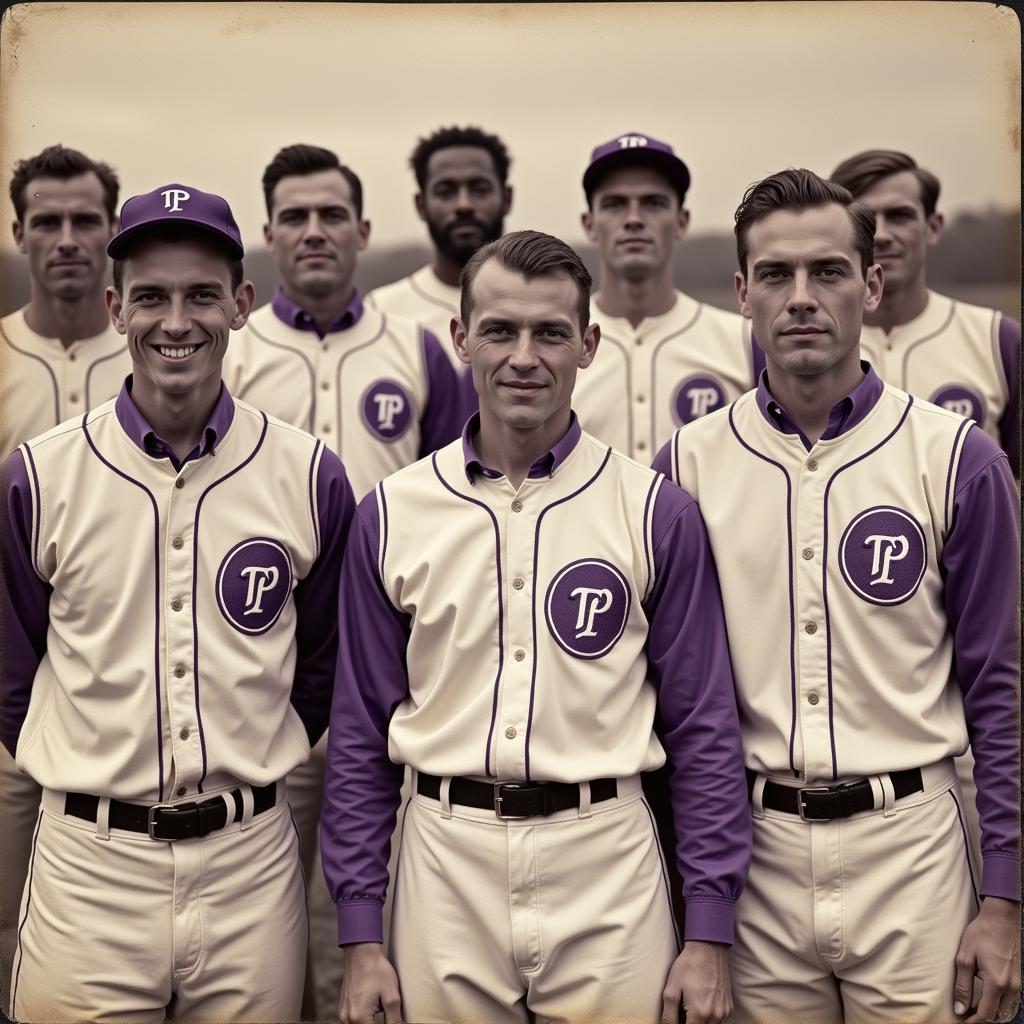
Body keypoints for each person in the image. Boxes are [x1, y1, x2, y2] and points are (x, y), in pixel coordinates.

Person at [322, 229, 751, 1024]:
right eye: (500, 330)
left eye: (551, 332)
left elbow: (702, 727)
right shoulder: (392, 513)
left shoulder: (654, 510)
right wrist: (359, 935)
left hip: (607, 855)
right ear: (461, 338)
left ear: (587, 344)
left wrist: (710, 931)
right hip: (444, 860)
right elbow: (359, 736)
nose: (525, 356)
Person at [653, 168, 1020, 1024]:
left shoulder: (957, 458)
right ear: (742, 293)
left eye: (828, 272)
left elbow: (999, 689)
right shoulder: (686, 466)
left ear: (873, 282)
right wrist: (699, 906)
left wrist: (1003, 902)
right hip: (757, 851)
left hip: (914, 842)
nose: (802, 298)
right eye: (776, 276)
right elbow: (681, 705)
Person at [0, 182, 354, 1022]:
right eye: (152, 297)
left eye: (202, 295)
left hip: (248, 859)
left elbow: (322, 664)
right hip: (91, 862)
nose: (176, 321)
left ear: (241, 303)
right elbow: (13, 675)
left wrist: (254, 751)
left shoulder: (308, 473)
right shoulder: (40, 475)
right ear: (117, 309)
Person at [222, 141, 462, 1016]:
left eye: (332, 215)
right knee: (271, 918)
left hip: (397, 675)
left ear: (364, 231)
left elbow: (462, 502)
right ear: (268, 235)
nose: (314, 231)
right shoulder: (234, 353)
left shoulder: (421, 349)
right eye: (295, 216)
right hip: (262, 680)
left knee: (387, 907)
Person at [0, 142, 130, 1014]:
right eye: (48, 221)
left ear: (113, 232)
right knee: (15, 938)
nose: (68, 238)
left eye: (87, 220)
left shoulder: (161, 349)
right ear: (19, 235)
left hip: (126, 722)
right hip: (12, 705)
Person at [830, 149, 1019, 479]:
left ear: (933, 227)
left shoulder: (998, 340)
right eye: (866, 219)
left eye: (900, 216)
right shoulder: (798, 346)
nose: (883, 234)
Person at [573, 132, 762, 461]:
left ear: (681, 222)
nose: (633, 219)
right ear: (589, 225)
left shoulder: (744, 341)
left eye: (653, 203)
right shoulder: (555, 343)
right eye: (615, 204)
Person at [365, 124, 512, 381]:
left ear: (506, 198)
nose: (464, 204)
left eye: (479, 189)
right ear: (420, 205)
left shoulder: (547, 304)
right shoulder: (381, 312)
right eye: (446, 191)